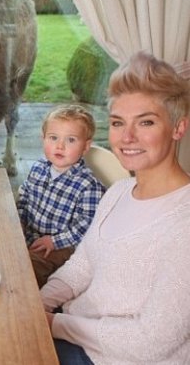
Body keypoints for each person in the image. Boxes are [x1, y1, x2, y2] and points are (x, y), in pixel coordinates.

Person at [41, 51, 190, 364]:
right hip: (74, 334)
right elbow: (82, 267)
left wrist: (55, 324)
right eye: (118, 123)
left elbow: (149, 343)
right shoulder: (119, 192)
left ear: (178, 127)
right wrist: (38, 305)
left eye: (146, 122)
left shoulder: (184, 222)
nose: (127, 137)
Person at [18, 104, 105, 287]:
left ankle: (26, 296)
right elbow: (25, 196)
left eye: (71, 140)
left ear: (86, 146)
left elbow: (86, 227)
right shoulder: (39, 167)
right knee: (2, 254)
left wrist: (54, 241)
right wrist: (19, 219)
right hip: (31, 233)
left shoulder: (88, 185)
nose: (60, 146)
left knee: (27, 271)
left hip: (61, 246)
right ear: (43, 139)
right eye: (53, 137)